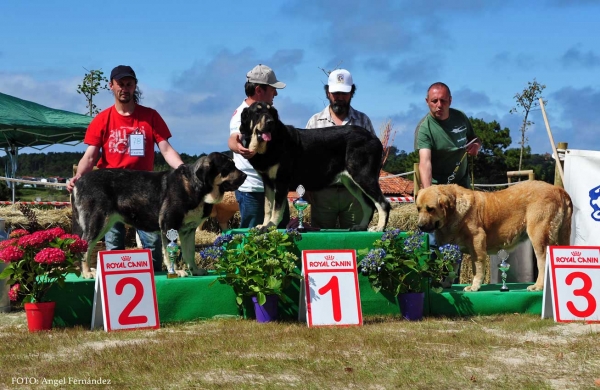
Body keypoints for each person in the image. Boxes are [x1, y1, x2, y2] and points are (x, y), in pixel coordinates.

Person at [67, 65, 185, 272]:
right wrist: (78, 177)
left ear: (135, 86)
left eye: (129, 84)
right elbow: (91, 156)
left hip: (145, 191)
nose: (125, 88)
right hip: (110, 190)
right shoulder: (102, 119)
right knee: (114, 248)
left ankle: (158, 285)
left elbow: (166, 150)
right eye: (120, 84)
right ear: (111, 86)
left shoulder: (151, 116)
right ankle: (115, 290)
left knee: (153, 246)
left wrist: (185, 172)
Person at [305, 69, 375, 229]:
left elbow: (373, 159)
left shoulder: (363, 121)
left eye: (344, 93)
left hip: (355, 196)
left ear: (352, 93)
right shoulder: (314, 122)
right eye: (335, 93)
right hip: (322, 195)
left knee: (356, 243)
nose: (339, 97)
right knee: (321, 243)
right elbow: (305, 159)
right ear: (328, 93)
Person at [228, 64, 290, 228]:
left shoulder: (269, 113)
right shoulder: (242, 113)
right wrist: (239, 148)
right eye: (272, 89)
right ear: (259, 90)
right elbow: (234, 138)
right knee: (252, 241)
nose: (276, 93)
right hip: (252, 190)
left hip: (276, 190)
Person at [414, 82, 481, 189]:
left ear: (450, 100)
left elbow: (474, 138)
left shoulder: (460, 117)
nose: (439, 105)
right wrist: (428, 192)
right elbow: (425, 162)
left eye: (443, 101)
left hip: (463, 185)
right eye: (434, 101)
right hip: (439, 188)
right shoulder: (424, 129)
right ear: (427, 102)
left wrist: (476, 145)